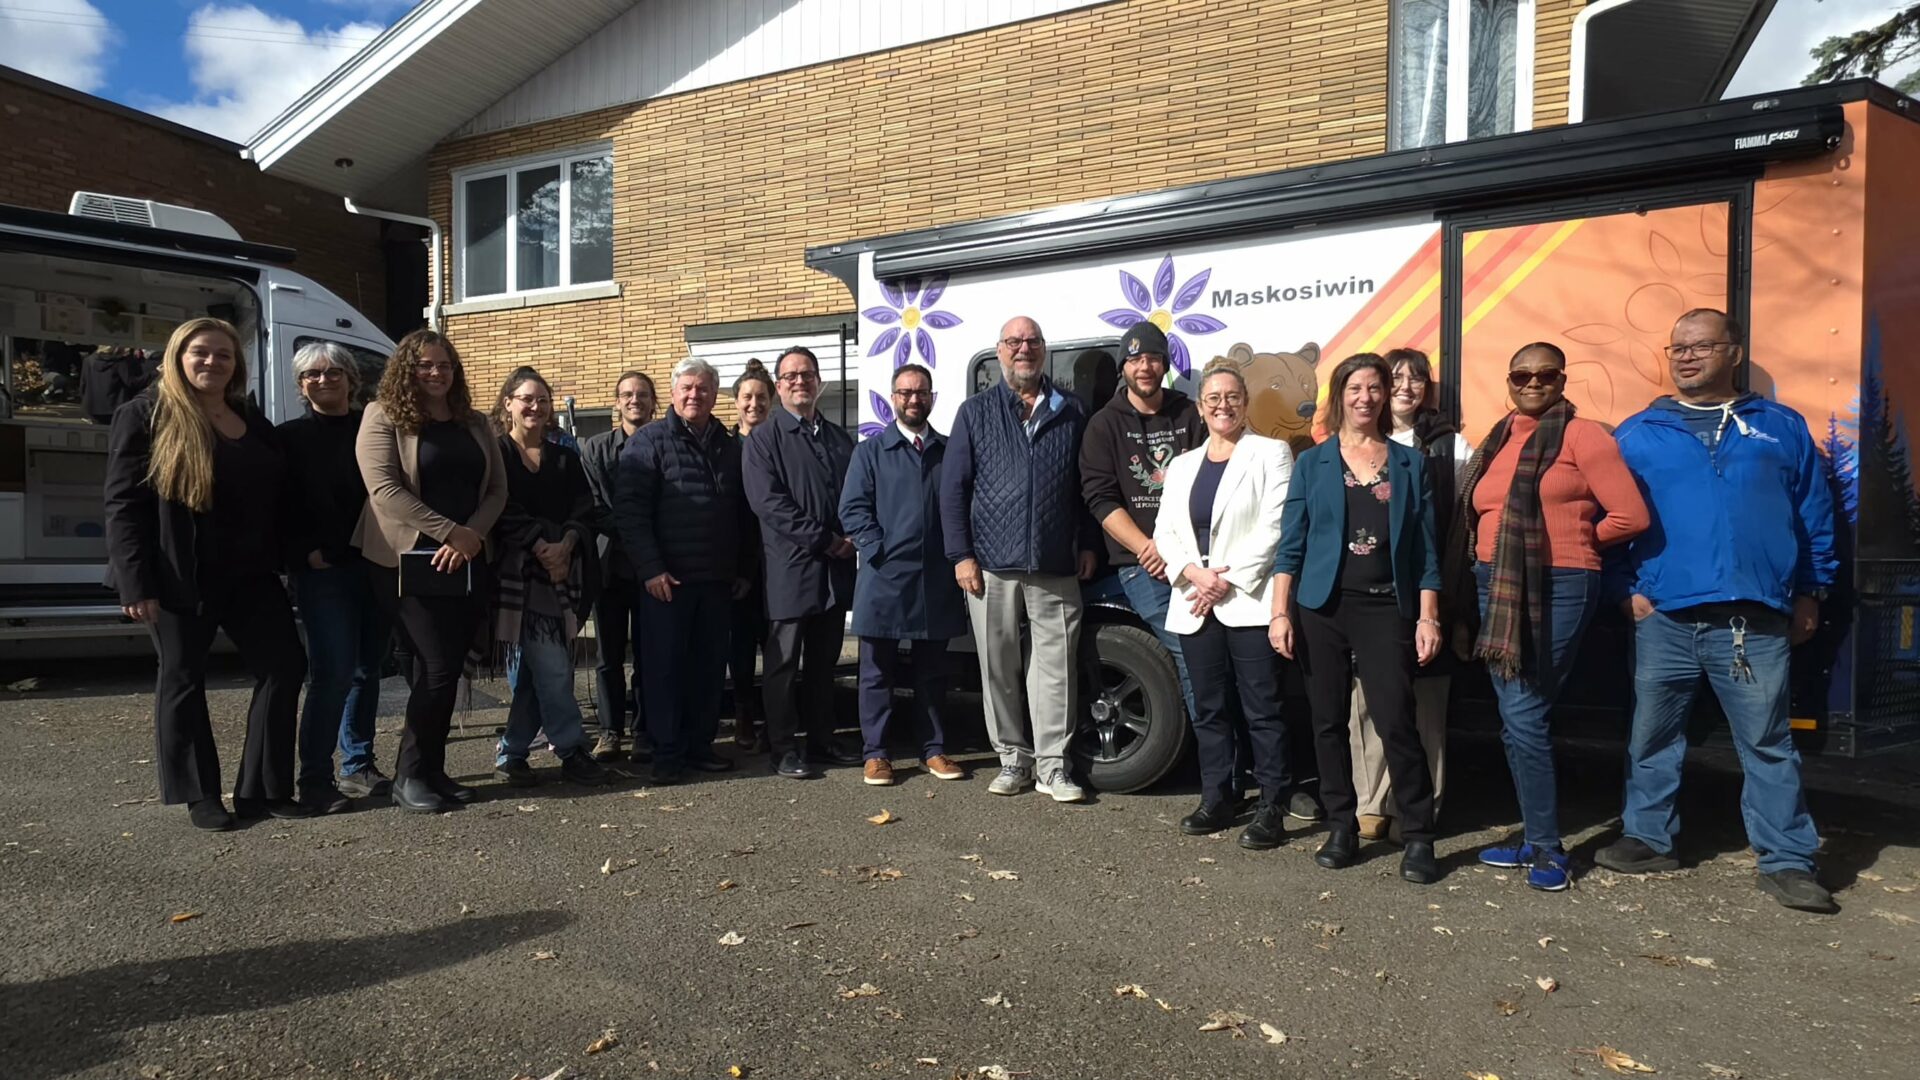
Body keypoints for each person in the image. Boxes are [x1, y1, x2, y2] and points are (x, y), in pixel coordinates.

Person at [1598, 308, 1840, 913]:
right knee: (1652, 736)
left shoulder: (1780, 426)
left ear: (1733, 352)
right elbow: (1606, 519)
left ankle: (1787, 860)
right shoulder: (1638, 433)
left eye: (1701, 346)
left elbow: (1813, 515)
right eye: (1677, 348)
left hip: (1754, 618)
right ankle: (1648, 838)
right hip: (1665, 615)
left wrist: (1811, 591)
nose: (1686, 357)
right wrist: (1625, 590)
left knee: (1768, 742)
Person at [104, 317, 310, 831]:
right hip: (179, 574)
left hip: (252, 573)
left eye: (223, 354)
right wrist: (135, 582)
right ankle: (200, 794)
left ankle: (263, 789)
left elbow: (280, 494)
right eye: (201, 352)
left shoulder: (249, 417)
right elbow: (123, 506)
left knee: (284, 667)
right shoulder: (145, 414)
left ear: (236, 365)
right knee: (183, 678)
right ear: (178, 356)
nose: (212, 362)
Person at [1456, 342, 1648, 891]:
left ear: (1562, 380)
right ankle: (1532, 837)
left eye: (1545, 374)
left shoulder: (1584, 436)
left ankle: (1546, 845)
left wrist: (1575, 541)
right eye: (1522, 375)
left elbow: (1630, 516)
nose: (1533, 383)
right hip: (1495, 583)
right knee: (1516, 716)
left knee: (1524, 709)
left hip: (1560, 584)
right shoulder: (1498, 437)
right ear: (1510, 381)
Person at [1269, 352, 1445, 884]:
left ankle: (1418, 834)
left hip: (1386, 607)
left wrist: (1428, 617)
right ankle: (1341, 825)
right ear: (1340, 395)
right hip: (1321, 608)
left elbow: (1427, 551)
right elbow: (1291, 546)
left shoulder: (1410, 463)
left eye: (1374, 388)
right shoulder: (1312, 463)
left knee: (1396, 721)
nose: (1365, 397)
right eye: (1355, 388)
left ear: (1385, 396)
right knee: (1327, 723)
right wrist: (1280, 612)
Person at [941, 315, 1098, 803]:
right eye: (1014, 342)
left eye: (1031, 342)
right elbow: (953, 489)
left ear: (1044, 350)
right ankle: (1013, 760)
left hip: (1054, 562)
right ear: (999, 351)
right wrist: (961, 555)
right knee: (998, 668)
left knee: (1057, 671)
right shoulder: (975, 412)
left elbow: (1088, 486)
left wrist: (1089, 543)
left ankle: (1053, 768)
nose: (1023, 349)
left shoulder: (1072, 410)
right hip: (990, 564)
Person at [354, 329, 505, 814]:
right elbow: (384, 490)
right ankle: (410, 775)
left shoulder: (474, 422)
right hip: (405, 560)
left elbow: (497, 490)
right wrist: (450, 532)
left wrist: (471, 536)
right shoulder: (383, 416)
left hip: (465, 560)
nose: (436, 373)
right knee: (436, 666)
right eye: (425, 365)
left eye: (444, 365)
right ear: (406, 369)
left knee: (446, 667)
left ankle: (433, 770)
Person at [1152, 360, 1297, 847]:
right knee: (1209, 707)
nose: (1223, 405)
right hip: (1194, 599)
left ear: (1245, 402)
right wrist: (1194, 574)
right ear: (1200, 407)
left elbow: (1275, 526)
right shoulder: (1182, 465)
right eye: (1213, 398)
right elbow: (1165, 532)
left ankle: (1272, 804)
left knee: (1262, 707)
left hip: (1247, 599)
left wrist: (1224, 581)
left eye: (1232, 397)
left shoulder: (1271, 453)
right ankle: (1217, 797)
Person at [1349, 348, 1473, 841]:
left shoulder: (1450, 446)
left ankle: (1418, 806)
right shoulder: (1356, 441)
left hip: (1427, 590)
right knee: (1367, 699)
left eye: (1416, 378)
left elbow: (1460, 529)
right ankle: (1371, 801)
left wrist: (1451, 607)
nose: (1405, 386)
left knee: (1425, 703)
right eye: (1394, 377)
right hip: (1371, 592)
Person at [615, 357, 752, 785]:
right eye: (687, 387)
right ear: (673, 393)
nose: (695, 395)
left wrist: (742, 568)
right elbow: (630, 513)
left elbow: (744, 514)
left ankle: (699, 747)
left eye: (703, 388)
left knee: (708, 670)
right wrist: (651, 569)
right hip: (666, 583)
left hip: (716, 581)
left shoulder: (729, 446)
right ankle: (667, 753)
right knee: (664, 671)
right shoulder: (649, 442)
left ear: (714, 395)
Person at [838, 364, 968, 786]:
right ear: (893, 398)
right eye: (906, 392)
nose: (914, 399)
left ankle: (933, 749)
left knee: (933, 674)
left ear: (932, 397)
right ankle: (876, 753)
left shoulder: (948, 452)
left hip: (936, 581)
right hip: (884, 579)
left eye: (921, 392)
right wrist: (879, 550)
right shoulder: (871, 452)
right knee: (877, 673)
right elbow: (852, 509)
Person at [279, 341, 393, 813]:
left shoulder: (373, 428)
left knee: (368, 670)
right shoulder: (288, 438)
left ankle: (358, 763)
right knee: (332, 675)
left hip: (375, 564)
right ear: (301, 385)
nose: (323, 380)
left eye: (333, 372)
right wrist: (302, 554)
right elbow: (275, 505)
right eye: (312, 374)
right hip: (324, 571)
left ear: (351, 378)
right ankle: (314, 779)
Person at [488, 367, 610, 787]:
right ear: (508, 403)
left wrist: (567, 545)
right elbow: (499, 508)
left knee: (535, 672)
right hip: (516, 579)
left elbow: (584, 508)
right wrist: (541, 545)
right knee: (555, 667)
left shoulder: (565, 457)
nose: (535, 407)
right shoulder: (496, 454)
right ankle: (572, 749)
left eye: (542, 400)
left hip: (562, 576)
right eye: (526, 398)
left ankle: (511, 753)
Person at [743, 346, 860, 778]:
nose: (799, 381)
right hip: (790, 569)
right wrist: (826, 540)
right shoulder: (763, 440)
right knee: (783, 665)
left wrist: (854, 535)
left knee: (823, 665)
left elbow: (855, 494)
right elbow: (770, 504)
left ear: (818, 382)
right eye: (790, 376)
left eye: (806, 374)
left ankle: (822, 739)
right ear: (778, 386)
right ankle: (783, 748)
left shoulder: (838, 439)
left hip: (834, 571)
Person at [581, 371, 655, 762]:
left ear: (653, 402)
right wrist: (634, 530)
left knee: (647, 655)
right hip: (608, 566)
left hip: (651, 569)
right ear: (616, 402)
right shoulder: (595, 449)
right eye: (627, 394)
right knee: (608, 657)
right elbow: (593, 505)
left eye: (641, 394)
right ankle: (610, 732)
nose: (634, 400)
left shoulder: (663, 445)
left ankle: (643, 731)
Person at [728, 360, 775, 751]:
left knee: (777, 646)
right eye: (747, 397)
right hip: (739, 564)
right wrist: (739, 566)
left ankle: (775, 719)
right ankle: (743, 714)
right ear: (736, 402)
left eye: (761, 397)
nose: (754, 404)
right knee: (740, 646)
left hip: (778, 561)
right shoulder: (726, 448)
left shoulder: (781, 443)